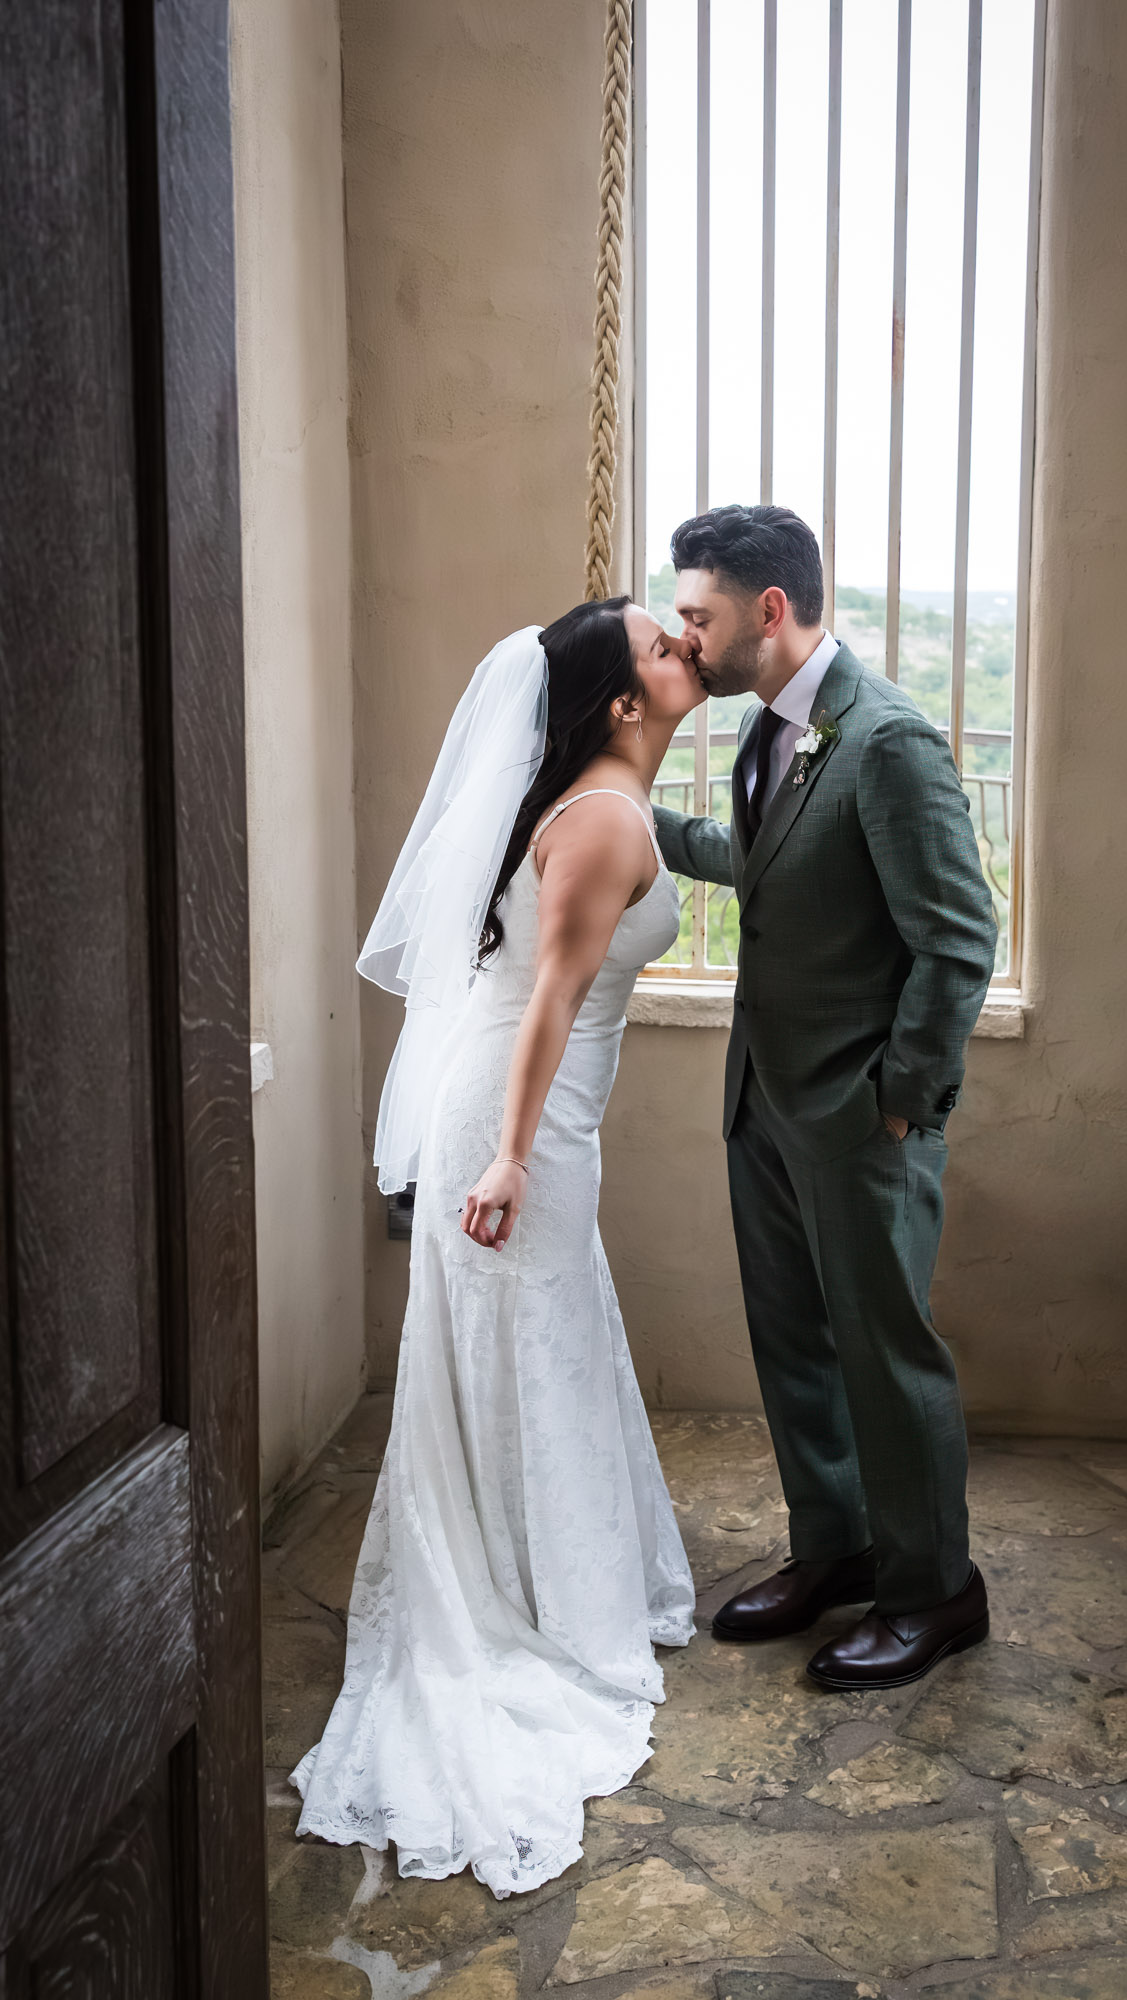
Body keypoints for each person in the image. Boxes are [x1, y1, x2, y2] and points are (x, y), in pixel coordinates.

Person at [292, 601, 702, 1897]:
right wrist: (512, 1158)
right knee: (528, 1340)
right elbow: (550, 1012)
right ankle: (521, 1609)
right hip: (522, 1115)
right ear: (620, 702)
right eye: (655, 643)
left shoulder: (601, 802)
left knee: (547, 1339)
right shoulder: (603, 820)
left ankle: (551, 1577)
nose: (680, 647)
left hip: (535, 1110)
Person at [654, 504, 998, 1691]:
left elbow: (958, 939)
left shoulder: (886, 740)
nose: (683, 637)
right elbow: (765, 861)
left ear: (768, 610)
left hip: (858, 1118)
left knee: (884, 1355)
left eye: (696, 615)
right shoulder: (772, 730)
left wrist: (898, 1099)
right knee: (795, 1346)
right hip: (764, 1102)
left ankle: (933, 1587)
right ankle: (837, 1546)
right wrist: (625, 819)